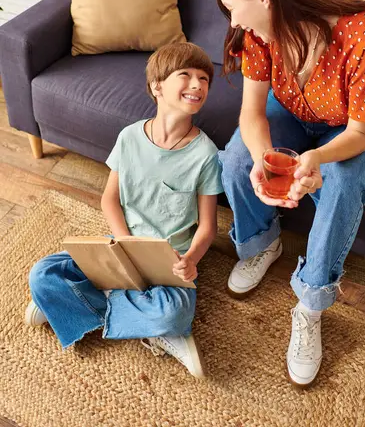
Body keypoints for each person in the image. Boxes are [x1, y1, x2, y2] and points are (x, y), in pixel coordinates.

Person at [213, 0, 365, 388]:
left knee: (341, 180)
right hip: (292, 112)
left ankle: (311, 303)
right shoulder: (257, 34)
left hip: (348, 128)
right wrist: (262, 159)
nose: (232, 21)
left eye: (233, 7)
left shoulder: (364, 31)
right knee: (237, 157)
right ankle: (261, 244)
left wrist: (315, 158)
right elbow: (253, 113)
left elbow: (359, 133)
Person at [25, 42, 223, 378]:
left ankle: (96, 307)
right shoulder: (129, 137)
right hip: (119, 244)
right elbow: (109, 199)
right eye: (186, 75)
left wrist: (190, 261)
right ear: (157, 86)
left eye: (204, 78)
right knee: (42, 274)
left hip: (168, 262)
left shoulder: (205, 153)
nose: (198, 84)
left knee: (172, 312)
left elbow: (207, 228)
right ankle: (150, 326)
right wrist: (124, 244)